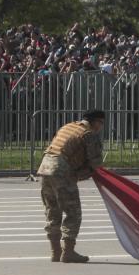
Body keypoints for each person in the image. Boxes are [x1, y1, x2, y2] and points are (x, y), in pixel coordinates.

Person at [38, 109, 105, 263]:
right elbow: (96, 163)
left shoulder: (68, 126)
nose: (101, 128)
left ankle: (55, 252)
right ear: (96, 122)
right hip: (62, 170)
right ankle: (68, 252)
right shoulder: (88, 134)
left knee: (52, 211)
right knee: (73, 212)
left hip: (45, 167)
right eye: (101, 124)